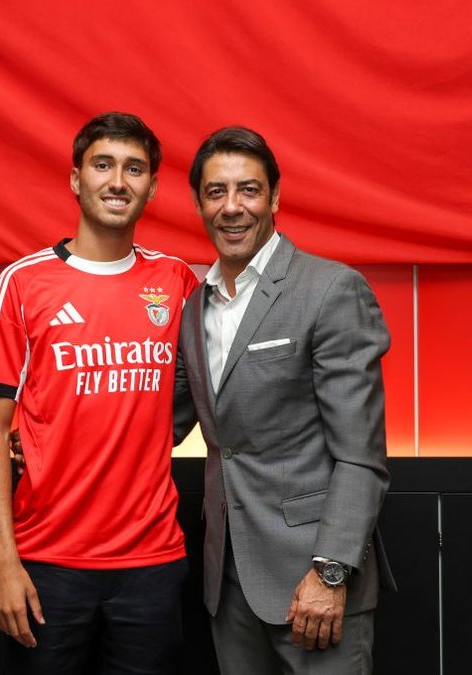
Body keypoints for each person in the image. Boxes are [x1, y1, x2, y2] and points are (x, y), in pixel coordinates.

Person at [0, 112, 199, 675]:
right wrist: (3, 561)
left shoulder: (176, 281)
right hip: (47, 563)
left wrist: (152, 434)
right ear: (75, 178)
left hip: (151, 561)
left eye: (134, 169)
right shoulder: (23, 282)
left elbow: (206, 386)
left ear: (152, 187)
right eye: (103, 165)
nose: (118, 181)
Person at [172, 126, 395, 674]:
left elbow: (360, 456)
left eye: (248, 190)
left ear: (274, 197)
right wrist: (42, 439)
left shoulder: (330, 289)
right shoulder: (193, 307)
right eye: (216, 191)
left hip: (314, 583)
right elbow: (156, 422)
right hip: (226, 583)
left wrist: (331, 572)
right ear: (199, 202)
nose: (232, 207)